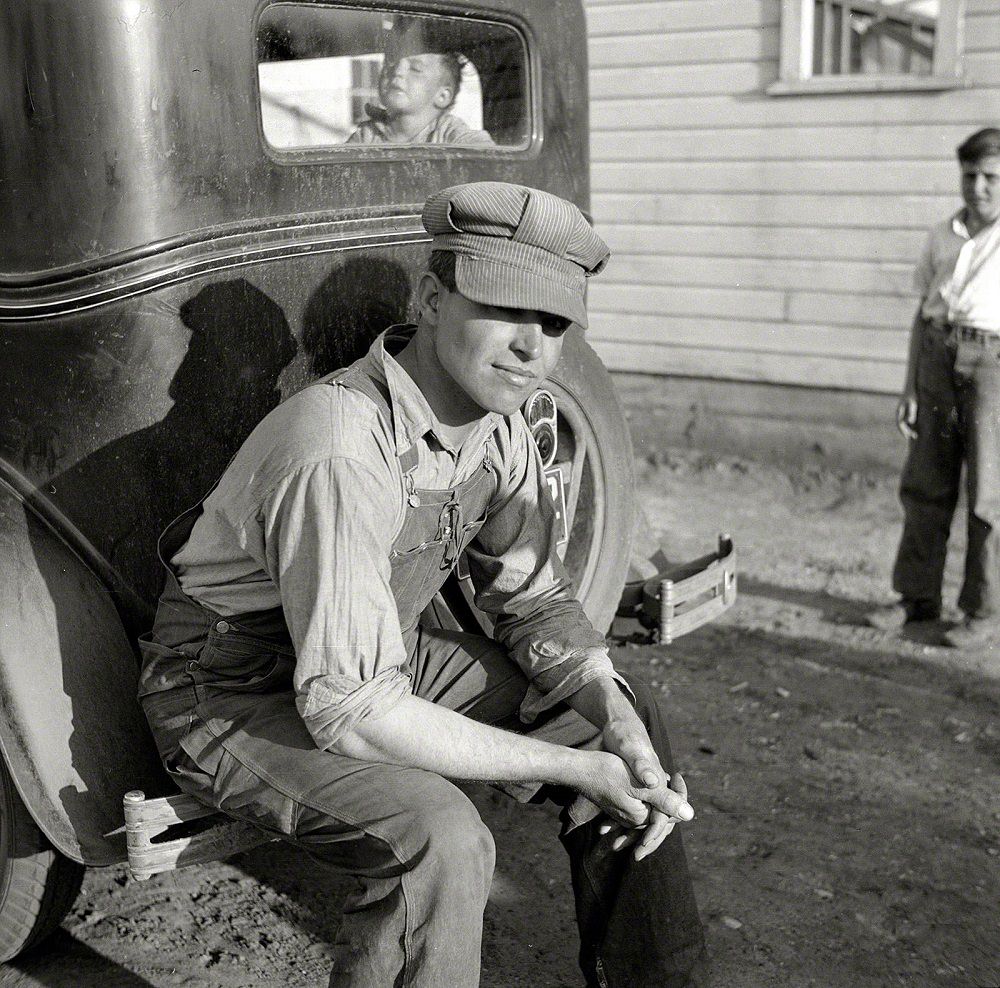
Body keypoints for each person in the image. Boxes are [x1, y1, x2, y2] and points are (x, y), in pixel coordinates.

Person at [137, 181, 708, 988]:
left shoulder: (506, 422)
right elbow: (352, 714)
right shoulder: (338, 447)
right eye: (507, 310)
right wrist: (579, 774)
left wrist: (609, 719)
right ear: (433, 297)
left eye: (553, 325)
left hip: (378, 659)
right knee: (441, 840)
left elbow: (533, 599)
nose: (530, 348)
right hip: (228, 692)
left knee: (619, 718)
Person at [870, 127, 1000, 650]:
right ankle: (917, 598)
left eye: (991, 177)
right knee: (925, 485)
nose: (979, 188)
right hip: (937, 357)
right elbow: (922, 316)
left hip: (992, 365)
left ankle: (982, 612)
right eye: (970, 176)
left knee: (988, 496)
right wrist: (910, 388)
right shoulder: (942, 234)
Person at [347, 20, 494, 148]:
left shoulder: (450, 133)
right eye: (390, 64)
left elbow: (488, 158)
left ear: (442, 96)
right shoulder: (367, 135)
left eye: (415, 69)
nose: (397, 71)